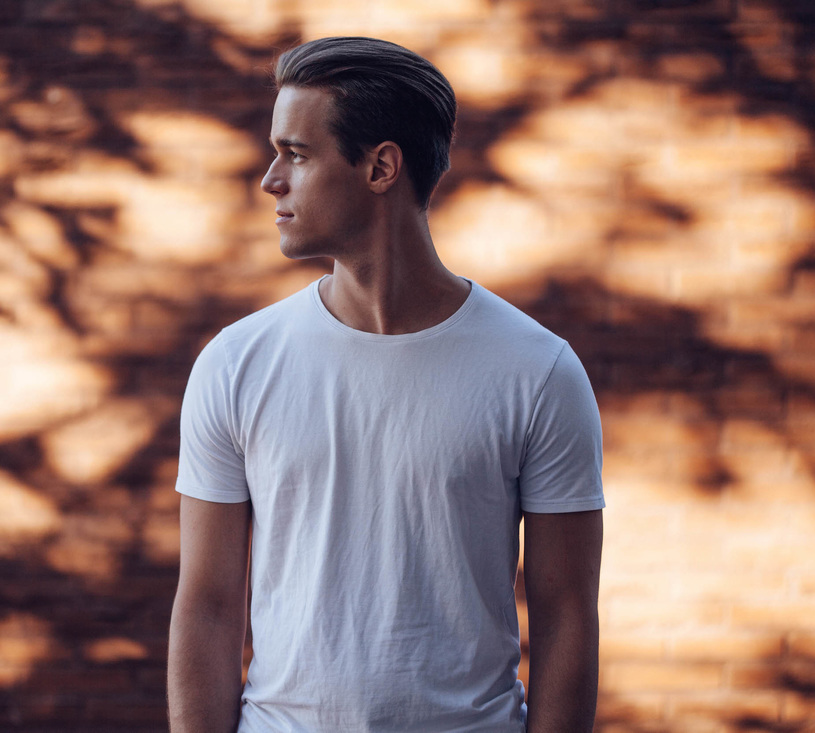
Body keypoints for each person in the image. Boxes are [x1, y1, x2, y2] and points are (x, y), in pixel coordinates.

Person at [167, 36, 604, 733]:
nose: (271, 180)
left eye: (296, 154)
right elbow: (208, 606)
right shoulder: (235, 363)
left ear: (380, 167)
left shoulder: (539, 372)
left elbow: (567, 616)